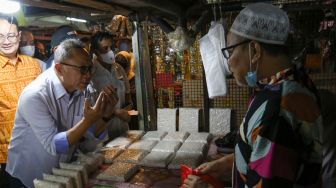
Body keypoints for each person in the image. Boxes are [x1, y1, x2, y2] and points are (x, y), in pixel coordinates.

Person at [183, 3, 322, 188]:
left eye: (230, 51)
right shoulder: (297, 80)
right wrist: (229, 163)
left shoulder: (276, 108)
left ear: (255, 51)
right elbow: (272, 156)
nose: (229, 63)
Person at [6, 39, 118, 188]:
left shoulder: (83, 89)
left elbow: (87, 134)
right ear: (59, 69)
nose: (88, 75)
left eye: (91, 69)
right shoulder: (35, 96)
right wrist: (87, 121)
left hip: (60, 174)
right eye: (82, 69)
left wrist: (105, 116)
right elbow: (54, 145)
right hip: (26, 178)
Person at [0, 14, 41, 188]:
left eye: (10, 35)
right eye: (0, 36)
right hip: (6, 157)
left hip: (37, 151)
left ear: (19, 36)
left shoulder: (33, 65)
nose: (6, 41)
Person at [90, 32, 132, 139]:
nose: (110, 51)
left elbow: (128, 100)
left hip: (123, 130)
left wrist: (128, 112)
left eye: (111, 47)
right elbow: (91, 108)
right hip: (103, 134)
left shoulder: (119, 69)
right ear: (96, 52)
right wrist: (116, 112)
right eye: (105, 48)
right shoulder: (91, 73)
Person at [115, 51, 138, 129]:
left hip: (131, 113)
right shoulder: (115, 76)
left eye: (123, 62)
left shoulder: (134, 78)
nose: (121, 65)